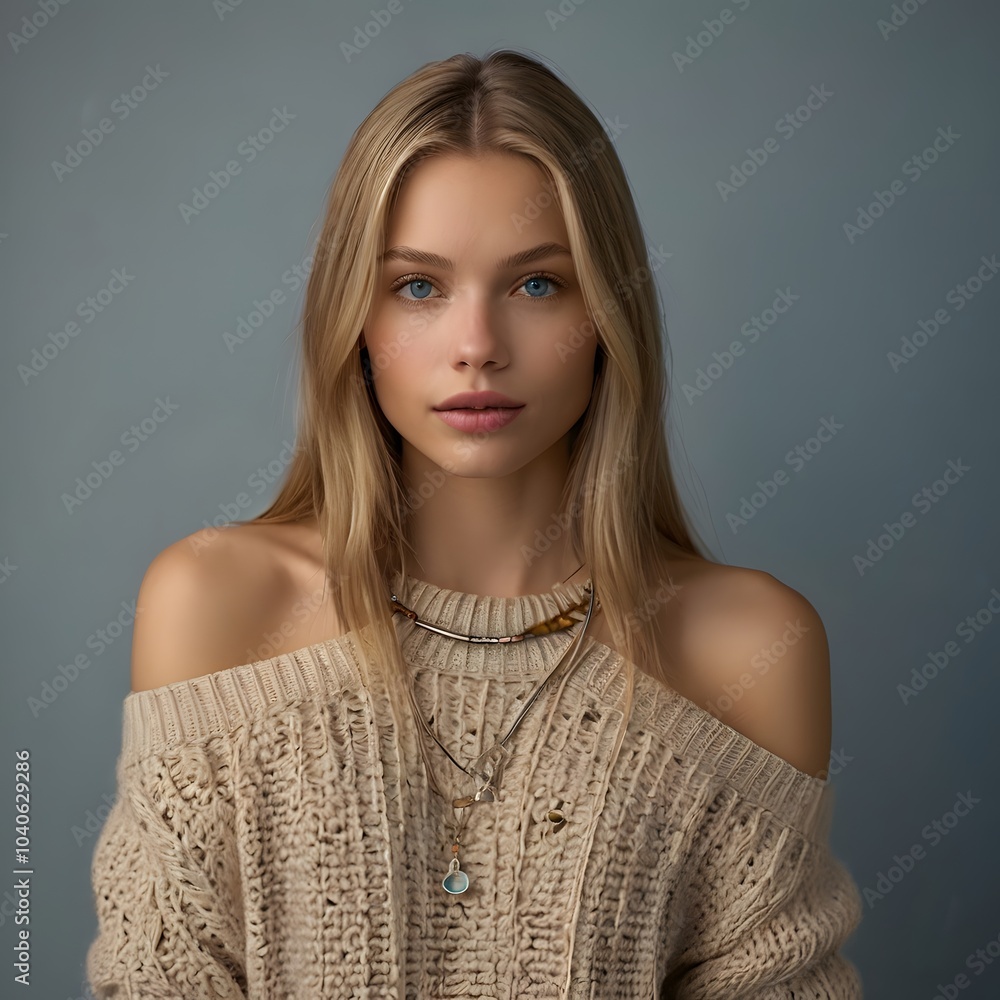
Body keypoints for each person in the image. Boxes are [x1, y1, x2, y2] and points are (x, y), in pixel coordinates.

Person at [85, 48, 864, 998]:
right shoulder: (218, 604)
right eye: (418, 286)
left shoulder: (746, 647)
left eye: (538, 284)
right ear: (354, 320)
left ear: (609, 313)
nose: (477, 348)